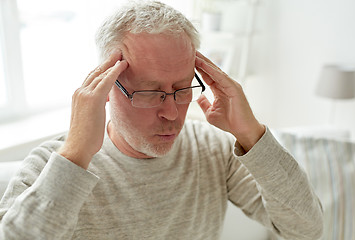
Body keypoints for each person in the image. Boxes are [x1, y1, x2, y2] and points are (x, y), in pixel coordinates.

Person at [0, 1, 323, 239]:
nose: (171, 113)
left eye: (182, 89)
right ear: (105, 87)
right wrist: (75, 157)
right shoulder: (51, 165)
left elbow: (305, 229)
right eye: (148, 92)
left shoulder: (212, 149)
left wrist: (251, 133)